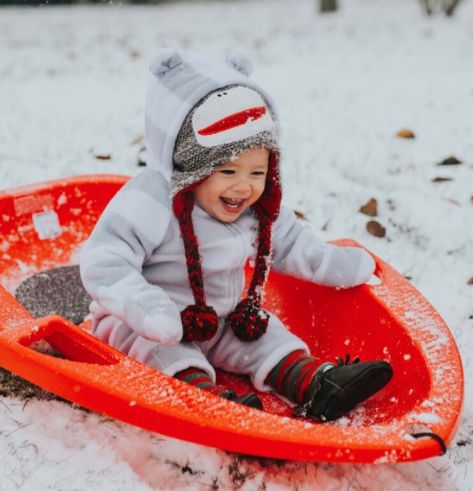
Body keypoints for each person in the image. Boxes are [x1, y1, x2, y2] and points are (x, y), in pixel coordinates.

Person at [79, 49, 392, 421]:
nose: (244, 188)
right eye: (228, 172)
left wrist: (333, 263)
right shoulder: (150, 201)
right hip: (143, 320)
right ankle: (207, 401)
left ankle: (319, 383)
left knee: (265, 335)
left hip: (221, 318)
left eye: (257, 173)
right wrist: (148, 308)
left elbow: (288, 240)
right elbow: (104, 262)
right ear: (188, 167)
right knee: (164, 351)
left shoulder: (253, 208)